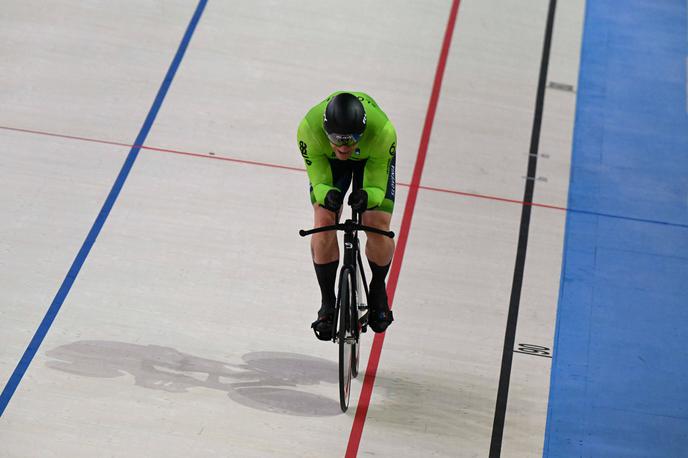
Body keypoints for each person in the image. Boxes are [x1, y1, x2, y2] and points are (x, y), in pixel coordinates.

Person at [297, 91, 397, 340]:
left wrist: (368, 197)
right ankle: (328, 303)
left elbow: (376, 188)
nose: (344, 147)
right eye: (337, 140)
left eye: (351, 140)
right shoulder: (309, 130)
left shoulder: (382, 132)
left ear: (362, 133)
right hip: (329, 163)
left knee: (376, 224)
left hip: (370, 160)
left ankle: (377, 288)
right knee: (323, 221)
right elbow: (319, 181)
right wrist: (327, 194)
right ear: (325, 131)